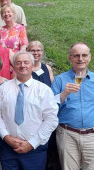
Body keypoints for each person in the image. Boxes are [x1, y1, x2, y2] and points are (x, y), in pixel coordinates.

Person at [51, 42, 94, 170]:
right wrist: (64, 94)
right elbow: (49, 107)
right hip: (67, 135)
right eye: (76, 55)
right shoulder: (60, 80)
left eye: (84, 55)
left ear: (89, 57)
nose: (80, 59)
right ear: (70, 58)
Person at [0, 51, 58, 169]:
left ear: (32, 66)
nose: (22, 65)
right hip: (8, 148)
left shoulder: (44, 90)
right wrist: (6, 137)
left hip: (34, 150)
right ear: (13, 66)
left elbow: (51, 120)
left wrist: (31, 143)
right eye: (18, 63)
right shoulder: (3, 89)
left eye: (26, 62)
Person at [27, 41, 58, 170]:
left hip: (47, 114)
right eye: (32, 50)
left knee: (50, 147)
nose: (36, 53)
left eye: (38, 50)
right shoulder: (25, 68)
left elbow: (53, 91)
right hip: (32, 115)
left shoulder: (47, 68)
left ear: (42, 52)